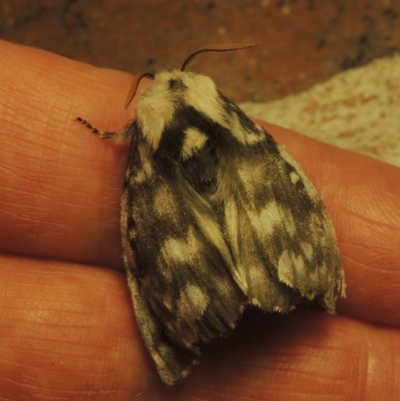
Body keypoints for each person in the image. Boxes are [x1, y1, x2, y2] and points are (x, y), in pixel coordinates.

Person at [0, 39, 399, 400]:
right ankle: (290, 276)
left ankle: (294, 282)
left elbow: (116, 138)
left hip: (166, 195)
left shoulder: (147, 134)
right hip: (241, 176)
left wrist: (105, 133)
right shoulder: (225, 116)